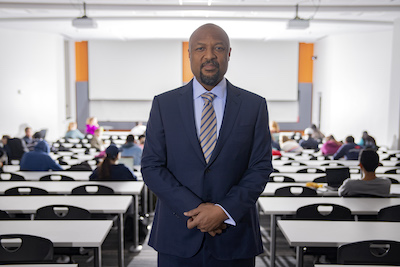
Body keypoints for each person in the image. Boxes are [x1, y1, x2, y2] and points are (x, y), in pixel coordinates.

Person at [141, 23, 273, 266]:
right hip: (177, 233)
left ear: (229, 54)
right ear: (189, 54)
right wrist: (198, 211)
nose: (210, 55)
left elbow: (260, 167)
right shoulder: (164, 104)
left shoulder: (254, 106)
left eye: (218, 48)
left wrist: (223, 211)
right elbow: (151, 166)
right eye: (201, 48)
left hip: (234, 235)